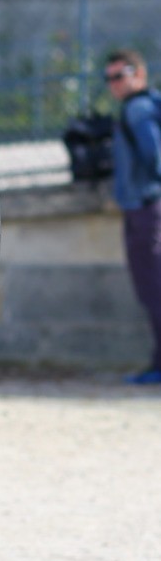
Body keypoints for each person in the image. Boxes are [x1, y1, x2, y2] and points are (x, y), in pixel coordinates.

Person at [105, 49, 161, 384]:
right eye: (108, 78)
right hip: (146, 207)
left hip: (146, 209)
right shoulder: (145, 105)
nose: (113, 83)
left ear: (139, 74)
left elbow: (155, 156)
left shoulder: (137, 108)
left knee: (153, 288)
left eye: (119, 75)